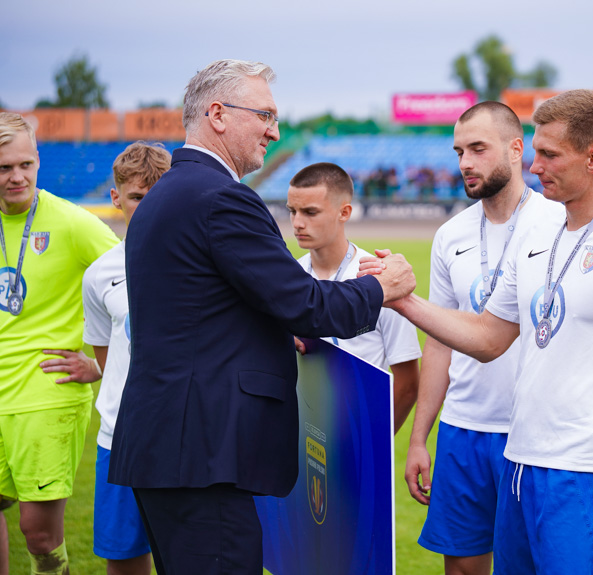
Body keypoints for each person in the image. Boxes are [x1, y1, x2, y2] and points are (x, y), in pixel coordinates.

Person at [362, 90, 593, 575]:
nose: (534, 167)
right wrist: (403, 299)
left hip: (586, 474)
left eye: (549, 155)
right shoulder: (536, 236)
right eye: (535, 153)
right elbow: (488, 337)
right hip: (518, 463)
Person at [107, 59, 414, 575]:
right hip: (204, 455)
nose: (275, 130)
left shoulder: (164, 196)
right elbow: (307, 304)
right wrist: (381, 287)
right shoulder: (222, 199)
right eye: (265, 115)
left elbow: (206, 310)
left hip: (172, 448)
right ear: (219, 114)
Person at [404, 101, 563, 575]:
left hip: (532, 436)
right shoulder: (450, 235)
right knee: (463, 570)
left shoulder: (557, 225)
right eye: (459, 152)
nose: (465, 163)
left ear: (517, 150)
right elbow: (438, 343)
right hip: (463, 431)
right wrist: (419, 438)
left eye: (478, 148)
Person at [0, 112, 119, 575]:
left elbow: (134, 279)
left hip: (47, 392)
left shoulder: (72, 223)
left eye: (26, 164)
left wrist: (96, 363)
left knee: (39, 532)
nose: (17, 176)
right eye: (4, 167)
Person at [79, 142, 171, 575]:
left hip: (183, 436)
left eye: (157, 195)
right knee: (124, 561)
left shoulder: (204, 260)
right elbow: (108, 356)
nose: (147, 206)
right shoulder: (99, 273)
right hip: (120, 437)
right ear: (116, 199)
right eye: (137, 197)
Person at [287, 162, 421, 433]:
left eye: (310, 212)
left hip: (358, 439)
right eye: (292, 211)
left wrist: (373, 445)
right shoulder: (289, 276)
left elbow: (407, 383)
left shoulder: (382, 279)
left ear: (344, 212)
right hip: (303, 437)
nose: (298, 223)